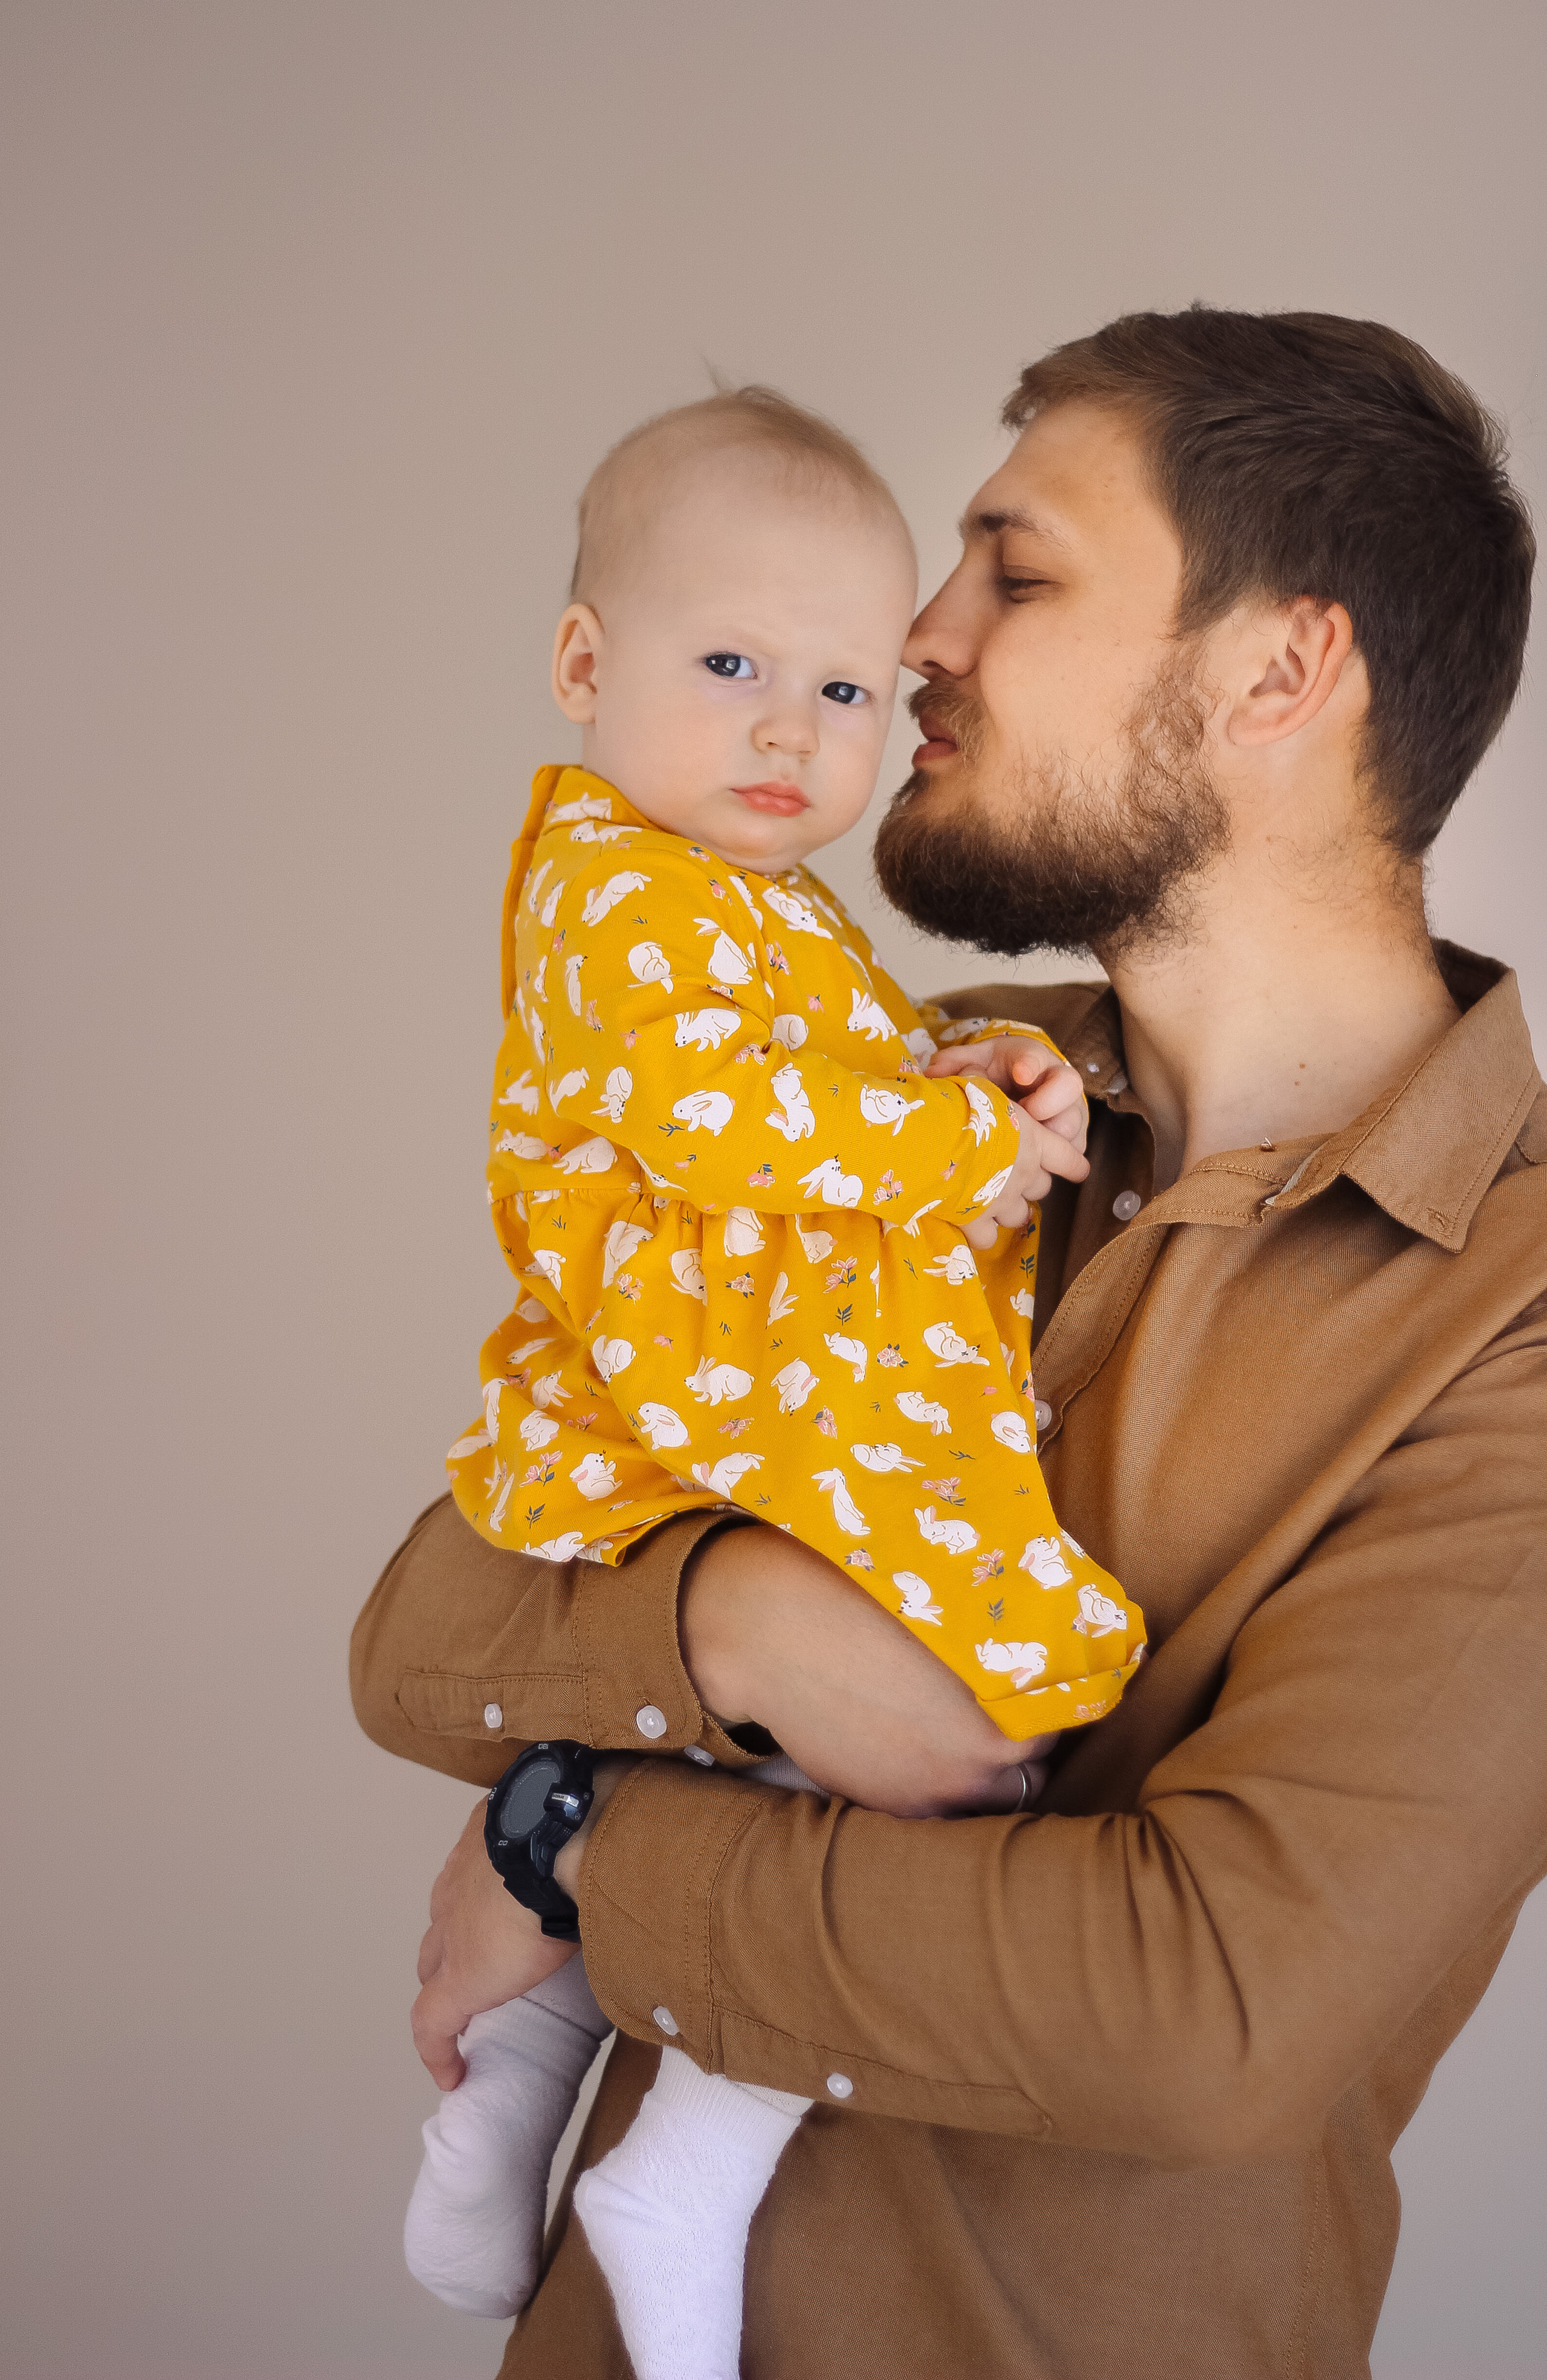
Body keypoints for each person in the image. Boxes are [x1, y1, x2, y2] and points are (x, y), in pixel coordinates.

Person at [352, 306, 1545, 2380]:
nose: (916, 634)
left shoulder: (1512, 1311)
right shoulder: (910, 1101)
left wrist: (583, 1834)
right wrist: (733, 1620)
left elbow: (1204, 2015)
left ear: (1282, 670)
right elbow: (425, 1621)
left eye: (1018, 569)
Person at [404, 389, 1144, 2378]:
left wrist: (968, 1067)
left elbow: (842, 1073)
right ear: (584, 664)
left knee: (767, 1743)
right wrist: (962, 1147)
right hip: (725, 1375)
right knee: (982, 1701)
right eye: (729, 663)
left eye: (838, 684)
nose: (791, 730)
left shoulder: (753, 897)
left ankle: (514, 2076)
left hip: (761, 1376)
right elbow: (746, 1120)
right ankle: (688, 2162)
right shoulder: (614, 889)